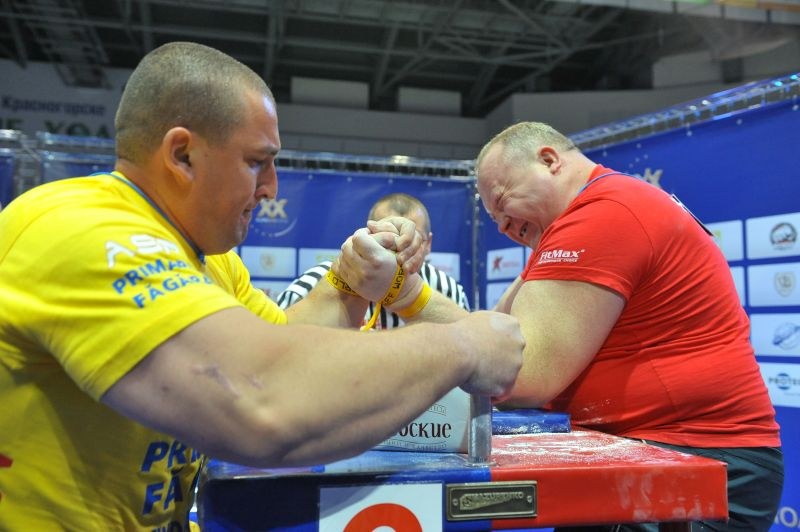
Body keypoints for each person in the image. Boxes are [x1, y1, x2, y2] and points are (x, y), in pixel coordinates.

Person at [0, 42, 524, 530]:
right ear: (182, 155)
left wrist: (352, 281)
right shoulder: (82, 229)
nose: (272, 187)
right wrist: (465, 345)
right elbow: (264, 400)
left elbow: (287, 341)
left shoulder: (208, 259)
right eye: (258, 162)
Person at [473, 121, 783, 531]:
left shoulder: (602, 214)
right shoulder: (594, 212)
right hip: (657, 456)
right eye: (493, 218)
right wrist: (409, 295)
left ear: (549, 161)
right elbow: (497, 334)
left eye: (502, 201)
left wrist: (409, 301)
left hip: (694, 461)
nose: (502, 227)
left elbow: (519, 373)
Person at [277, 192, 471, 326]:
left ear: (427, 244)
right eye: (387, 236)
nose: (397, 248)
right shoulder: (314, 281)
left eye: (412, 240)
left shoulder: (447, 290)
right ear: (368, 234)